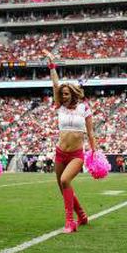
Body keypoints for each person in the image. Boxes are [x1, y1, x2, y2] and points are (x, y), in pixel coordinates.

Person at [45, 50, 97, 233]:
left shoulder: (84, 108)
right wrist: (52, 65)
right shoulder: (60, 107)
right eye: (62, 94)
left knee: (66, 180)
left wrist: (94, 152)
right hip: (60, 153)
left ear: (73, 94)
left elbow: (90, 133)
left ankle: (70, 221)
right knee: (62, 185)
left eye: (66, 94)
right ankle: (81, 215)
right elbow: (55, 84)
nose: (63, 96)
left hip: (76, 154)